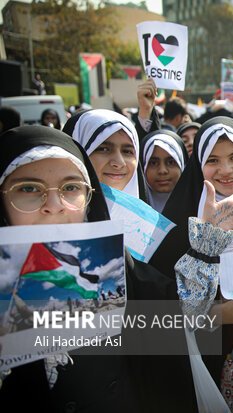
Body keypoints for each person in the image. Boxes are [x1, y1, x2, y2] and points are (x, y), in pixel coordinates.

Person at [0, 125, 198, 411]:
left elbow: (176, 312)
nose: (55, 206)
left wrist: (208, 244)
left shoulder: (111, 264)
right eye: (29, 189)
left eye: (71, 188)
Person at [150, 116, 233, 386]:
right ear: (198, 164)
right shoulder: (176, 222)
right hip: (202, 359)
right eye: (212, 160)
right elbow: (160, 310)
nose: (226, 170)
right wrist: (223, 315)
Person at [62, 109, 148, 202]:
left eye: (127, 151)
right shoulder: (53, 213)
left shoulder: (144, 215)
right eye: (103, 149)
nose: (119, 163)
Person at [141, 130, 188, 213]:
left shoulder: (200, 209)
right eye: (153, 163)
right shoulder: (127, 210)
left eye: (171, 162)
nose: (162, 171)